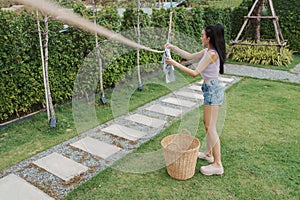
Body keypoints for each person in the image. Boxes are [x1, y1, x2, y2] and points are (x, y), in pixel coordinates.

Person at [164, 24, 226, 176]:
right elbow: (190, 56)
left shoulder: (212, 54)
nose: (201, 37)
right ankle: (209, 155)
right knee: (207, 126)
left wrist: (174, 63)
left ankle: (218, 165)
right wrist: (173, 48)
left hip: (212, 91)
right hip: (210, 90)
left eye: (203, 35)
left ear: (209, 38)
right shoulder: (207, 51)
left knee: (211, 128)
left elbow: (194, 73)